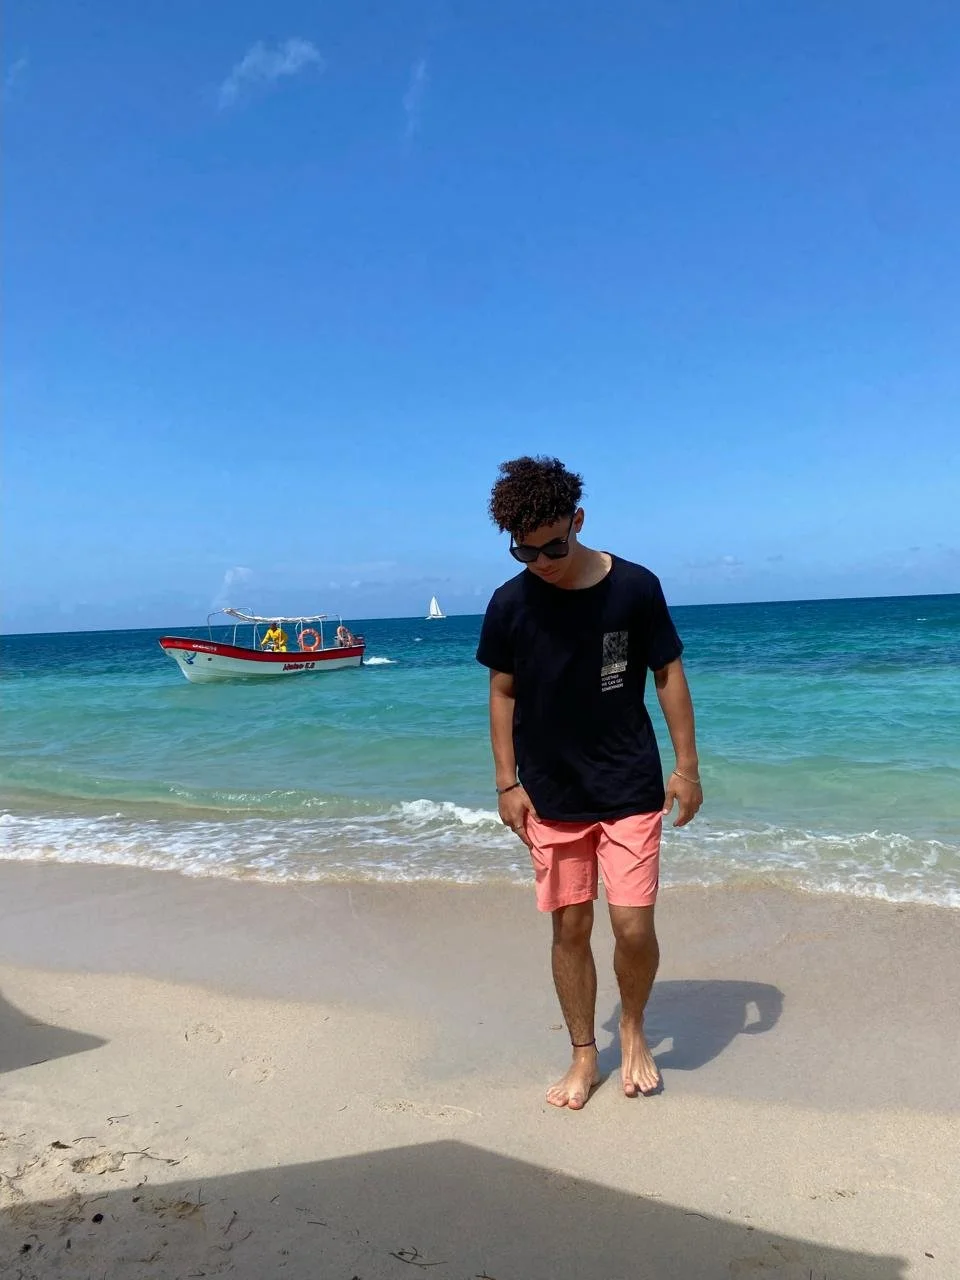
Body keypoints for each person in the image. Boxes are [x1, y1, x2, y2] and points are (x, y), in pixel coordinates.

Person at [476, 456, 702, 1111]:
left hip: (630, 782)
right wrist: (504, 782)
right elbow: (501, 690)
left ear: (578, 521)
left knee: (632, 927)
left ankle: (632, 1029)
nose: (541, 560)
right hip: (549, 793)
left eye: (554, 544)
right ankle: (583, 1053)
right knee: (570, 928)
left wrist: (686, 768)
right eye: (525, 549)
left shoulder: (634, 587)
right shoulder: (510, 603)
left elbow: (668, 674)